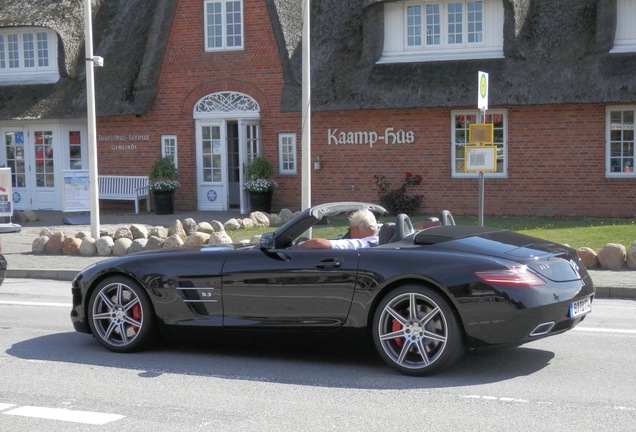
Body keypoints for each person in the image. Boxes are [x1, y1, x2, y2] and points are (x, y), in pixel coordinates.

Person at [298, 208, 379, 249]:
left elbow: (318, 243)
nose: (350, 232)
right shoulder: (381, 240)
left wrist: (298, 246)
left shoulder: (360, 244)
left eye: (350, 229)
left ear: (357, 229)